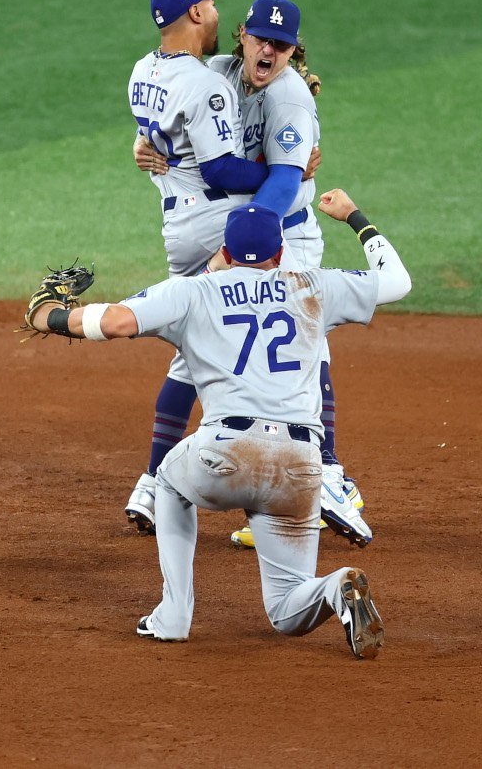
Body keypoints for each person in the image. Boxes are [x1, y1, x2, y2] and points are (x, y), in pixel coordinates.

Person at [25, 189, 409, 657]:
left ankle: (173, 615)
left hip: (225, 455)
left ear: (224, 253)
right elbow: (396, 283)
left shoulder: (193, 291)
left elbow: (118, 322)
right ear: (281, 251)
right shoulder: (314, 285)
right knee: (286, 609)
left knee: (167, 482)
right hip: (301, 467)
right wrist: (355, 218)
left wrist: (51, 315)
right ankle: (335, 588)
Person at [135, 0, 364, 549]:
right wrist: (144, 145)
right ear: (241, 35)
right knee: (196, 342)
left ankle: (329, 473)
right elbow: (172, 123)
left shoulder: (290, 100)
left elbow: (287, 183)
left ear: (293, 50)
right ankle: (153, 479)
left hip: (285, 231)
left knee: (305, 338)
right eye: (261, 38)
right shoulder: (216, 72)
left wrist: (252, 233)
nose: (269, 50)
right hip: (241, 228)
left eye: (281, 45)